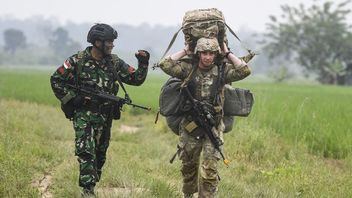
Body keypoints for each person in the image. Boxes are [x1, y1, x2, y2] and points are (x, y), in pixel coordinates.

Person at [50, 23, 149, 196]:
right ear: (97, 42)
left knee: (100, 153)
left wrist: (143, 63)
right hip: (84, 114)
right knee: (86, 150)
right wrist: (74, 99)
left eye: (112, 41)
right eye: (109, 42)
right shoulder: (77, 60)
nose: (112, 45)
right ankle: (87, 190)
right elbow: (56, 80)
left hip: (105, 116)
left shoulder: (115, 62)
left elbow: (136, 79)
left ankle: (93, 182)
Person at [158, 37, 251, 198]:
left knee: (210, 169)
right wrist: (186, 51)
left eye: (211, 53)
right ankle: (188, 194)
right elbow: (165, 64)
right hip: (190, 125)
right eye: (204, 53)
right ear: (198, 53)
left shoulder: (222, 71)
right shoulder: (188, 69)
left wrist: (227, 53)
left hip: (213, 126)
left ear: (216, 54)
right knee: (188, 167)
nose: (207, 57)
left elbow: (244, 71)